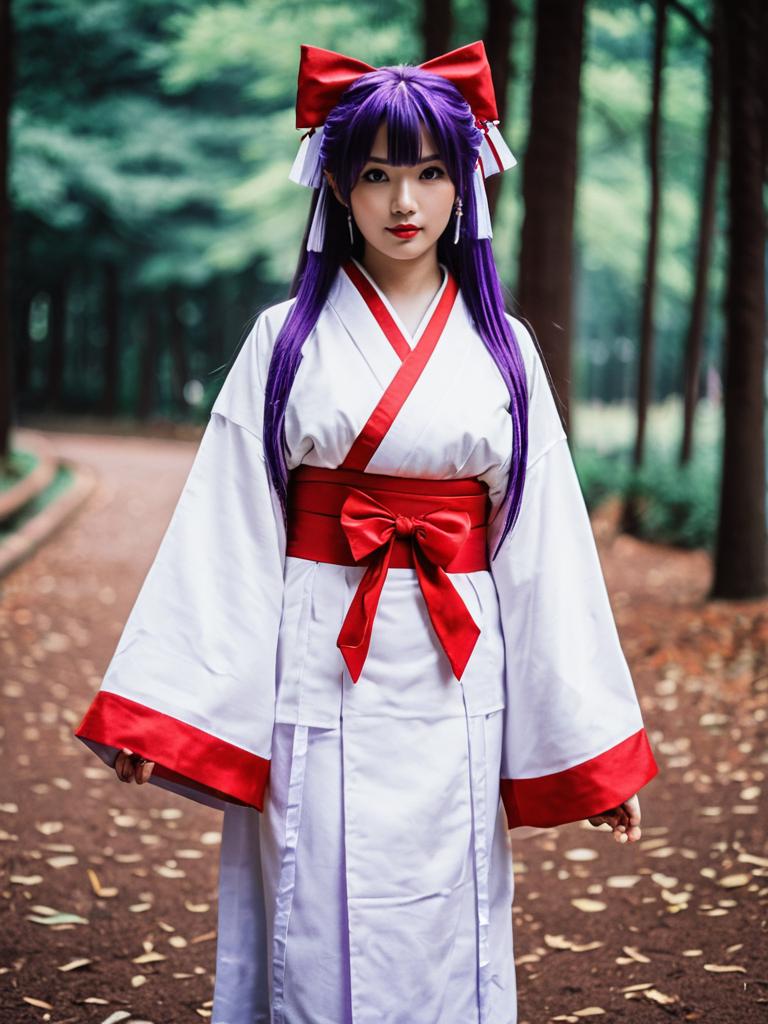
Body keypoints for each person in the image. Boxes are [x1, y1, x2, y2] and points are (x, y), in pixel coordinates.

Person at [75, 41, 658, 1024]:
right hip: (320, 649)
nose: (404, 199)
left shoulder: (505, 351)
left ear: (465, 180)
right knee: (313, 892)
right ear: (337, 184)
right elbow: (227, 534)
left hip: (454, 660)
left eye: (431, 171)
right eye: (377, 171)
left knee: (452, 897)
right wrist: (160, 707)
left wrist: (591, 753)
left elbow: (545, 554)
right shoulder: (284, 339)